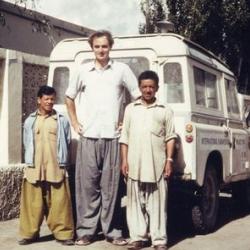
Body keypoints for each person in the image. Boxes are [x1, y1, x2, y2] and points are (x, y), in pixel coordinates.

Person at [65, 30, 139, 246]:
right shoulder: (82, 71)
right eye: (97, 46)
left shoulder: (122, 70)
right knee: (87, 187)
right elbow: (69, 97)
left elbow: (136, 97)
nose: (101, 50)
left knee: (111, 188)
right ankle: (86, 230)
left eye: (104, 46)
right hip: (88, 137)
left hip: (113, 138)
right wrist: (75, 123)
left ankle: (113, 231)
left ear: (110, 47)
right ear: (92, 47)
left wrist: (125, 122)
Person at [119, 70, 177, 250]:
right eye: (144, 87)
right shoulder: (130, 109)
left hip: (156, 165)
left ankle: (159, 240)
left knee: (157, 205)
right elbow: (125, 137)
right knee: (135, 203)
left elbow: (170, 137)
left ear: (157, 88)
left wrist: (169, 160)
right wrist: (124, 161)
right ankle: (138, 237)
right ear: (140, 88)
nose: (148, 90)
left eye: (151, 87)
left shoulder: (165, 110)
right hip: (134, 164)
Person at [19, 85, 74, 246]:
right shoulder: (30, 120)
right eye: (46, 99)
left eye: (52, 99)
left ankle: (64, 234)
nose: (50, 102)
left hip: (55, 166)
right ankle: (28, 234)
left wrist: (64, 162)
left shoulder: (61, 120)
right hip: (34, 167)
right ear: (39, 100)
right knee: (31, 203)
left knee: (60, 202)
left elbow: (67, 141)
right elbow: (26, 142)